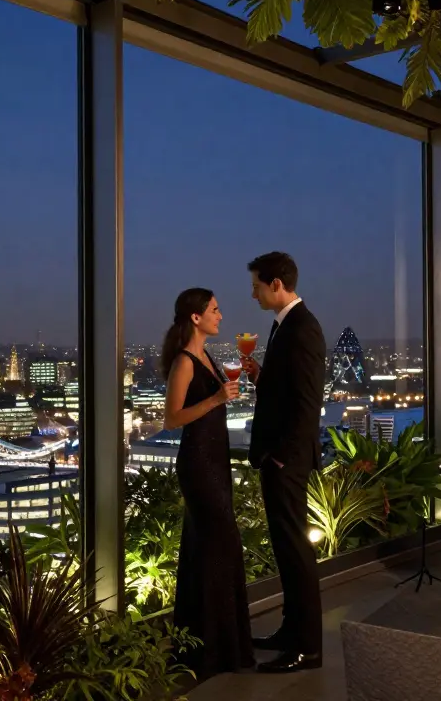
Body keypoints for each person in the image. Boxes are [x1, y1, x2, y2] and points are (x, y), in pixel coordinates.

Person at [240, 252, 326, 674]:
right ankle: (292, 631)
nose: (252, 292)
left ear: (277, 284)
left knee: (295, 551)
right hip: (281, 458)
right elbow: (287, 391)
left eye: (256, 285)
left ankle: (308, 647)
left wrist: (281, 458)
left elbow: (308, 403)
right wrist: (262, 377)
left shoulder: (302, 328)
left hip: (285, 460)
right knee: (287, 549)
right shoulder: (286, 326)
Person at [162, 288, 253, 677]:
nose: (221, 315)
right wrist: (216, 401)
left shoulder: (207, 356)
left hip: (216, 461)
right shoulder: (184, 362)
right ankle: (214, 651)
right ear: (195, 317)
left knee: (208, 551)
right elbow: (172, 419)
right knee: (220, 546)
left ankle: (207, 645)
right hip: (198, 464)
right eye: (215, 310)